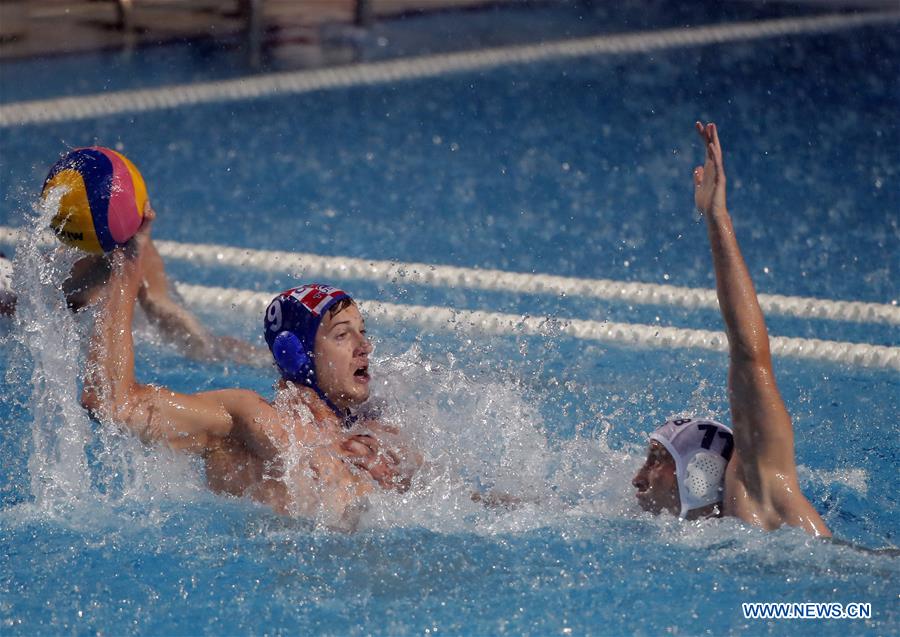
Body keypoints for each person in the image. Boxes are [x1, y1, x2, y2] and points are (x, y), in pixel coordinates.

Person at [81, 206, 417, 529]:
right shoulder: (252, 421)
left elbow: (461, 506)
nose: (365, 346)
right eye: (343, 334)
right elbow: (113, 403)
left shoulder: (374, 430)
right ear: (295, 354)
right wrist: (126, 268)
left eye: (363, 332)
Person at [631, 122, 831, 538]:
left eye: (656, 460)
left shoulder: (758, 507)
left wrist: (717, 217)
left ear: (698, 470)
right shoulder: (697, 529)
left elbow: (750, 353)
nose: (638, 478)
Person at [0, 234, 267, 367]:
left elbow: (198, 346)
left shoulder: (139, 257)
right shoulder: (35, 280)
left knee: (214, 349)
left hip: (150, 336)